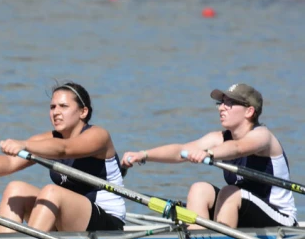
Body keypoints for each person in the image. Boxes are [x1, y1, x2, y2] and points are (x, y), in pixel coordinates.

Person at [121, 83, 296, 228]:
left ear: (249, 111)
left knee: (230, 192)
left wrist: (209, 153)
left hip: (280, 219)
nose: (221, 108)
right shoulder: (218, 138)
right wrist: (143, 154)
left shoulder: (263, 136)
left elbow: (239, 148)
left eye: (229, 103)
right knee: (200, 189)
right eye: (220, 103)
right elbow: (180, 150)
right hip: (243, 211)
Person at [0, 82, 126, 233]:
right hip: (69, 217)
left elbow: (64, 150)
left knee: (51, 192)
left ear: (83, 112)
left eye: (63, 106)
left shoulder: (98, 136)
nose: (56, 112)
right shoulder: (48, 140)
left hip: (107, 222)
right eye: (53, 107)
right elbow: (10, 162)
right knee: (15, 189)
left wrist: (24, 145)